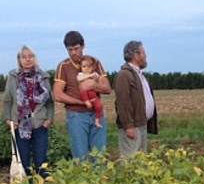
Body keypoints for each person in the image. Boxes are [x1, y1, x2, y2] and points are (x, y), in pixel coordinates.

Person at [53, 31, 111, 160]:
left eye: (76, 49)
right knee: (80, 157)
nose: (73, 53)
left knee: (100, 156)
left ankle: (101, 179)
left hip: (97, 114)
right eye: (70, 50)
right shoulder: (63, 67)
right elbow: (57, 95)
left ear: (83, 46)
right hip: (76, 115)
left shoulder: (94, 63)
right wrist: (82, 102)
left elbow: (107, 88)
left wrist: (93, 86)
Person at [3, 45, 54, 178]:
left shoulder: (43, 77)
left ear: (34, 58)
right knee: (24, 163)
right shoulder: (13, 77)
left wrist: (48, 120)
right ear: (19, 60)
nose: (27, 59)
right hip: (20, 126)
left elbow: (50, 102)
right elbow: (8, 101)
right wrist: (8, 120)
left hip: (40, 126)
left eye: (30, 56)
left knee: (41, 162)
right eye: (24, 57)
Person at [114, 40, 158, 158]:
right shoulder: (124, 75)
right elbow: (123, 103)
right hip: (133, 127)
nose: (146, 55)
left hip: (142, 124)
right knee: (130, 159)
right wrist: (128, 126)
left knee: (140, 160)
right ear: (135, 55)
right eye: (143, 52)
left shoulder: (139, 74)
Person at [77, 55, 103, 128]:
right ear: (81, 67)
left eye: (89, 67)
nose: (86, 69)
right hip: (85, 94)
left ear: (92, 68)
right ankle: (86, 102)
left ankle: (97, 121)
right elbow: (79, 79)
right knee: (83, 91)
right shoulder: (81, 74)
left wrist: (97, 79)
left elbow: (100, 84)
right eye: (84, 67)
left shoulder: (95, 74)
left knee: (99, 107)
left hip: (93, 95)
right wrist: (89, 76)